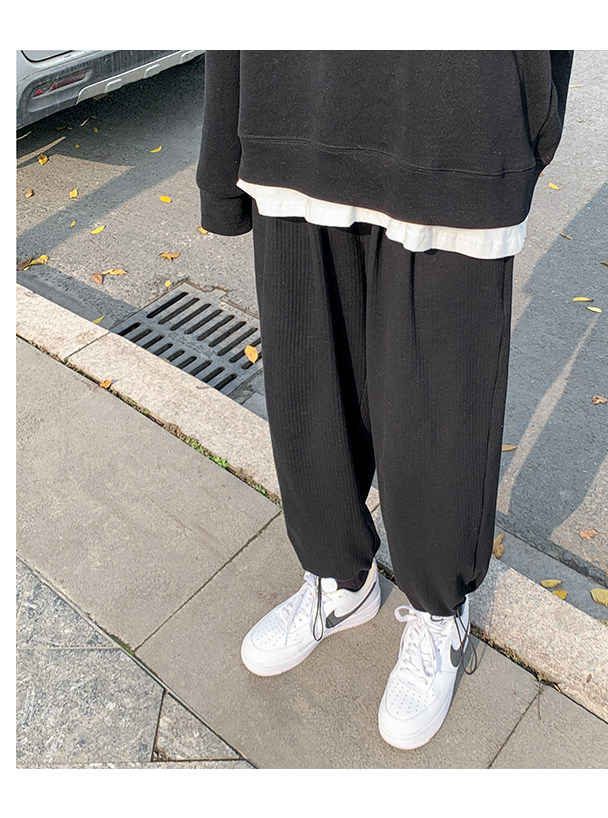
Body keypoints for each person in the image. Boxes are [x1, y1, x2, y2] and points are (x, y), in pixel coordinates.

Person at [196, 50, 574, 751]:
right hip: (294, 103)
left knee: (438, 404)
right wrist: (223, 157)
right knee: (310, 384)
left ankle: (438, 612)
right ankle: (338, 580)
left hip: (456, 117)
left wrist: (531, 98)